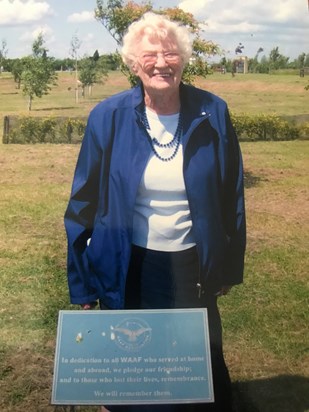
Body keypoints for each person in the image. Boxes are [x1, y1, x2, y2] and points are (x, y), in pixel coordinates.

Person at [64, 12, 246, 412]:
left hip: (191, 266)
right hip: (130, 265)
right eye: (150, 55)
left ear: (183, 59)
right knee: (131, 373)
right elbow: (83, 203)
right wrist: (83, 284)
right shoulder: (107, 117)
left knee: (198, 373)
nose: (161, 62)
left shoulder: (213, 111)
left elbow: (231, 194)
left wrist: (228, 266)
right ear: (133, 62)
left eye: (170, 53)